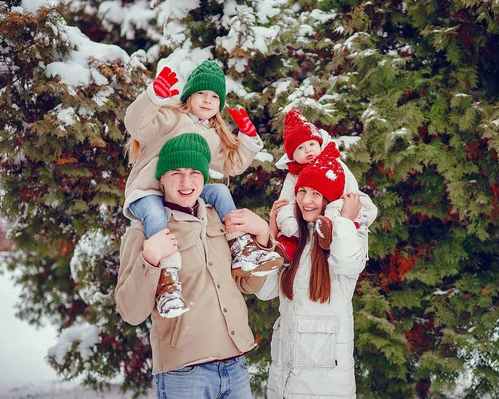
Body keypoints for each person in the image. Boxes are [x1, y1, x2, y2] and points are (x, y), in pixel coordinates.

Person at [116, 133, 272, 399]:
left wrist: (262, 237)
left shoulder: (221, 219)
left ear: (204, 177)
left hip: (235, 365)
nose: (186, 182)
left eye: (194, 173)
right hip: (185, 374)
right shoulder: (144, 232)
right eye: (176, 172)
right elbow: (131, 313)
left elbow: (249, 284)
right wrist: (150, 260)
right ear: (161, 178)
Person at [123, 61, 282, 317]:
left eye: (215, 96)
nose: (208, 100)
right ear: (189, 95)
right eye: (202, 93)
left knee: (219, 192)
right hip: (148, 192)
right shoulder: (171, 117)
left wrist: (248, 139)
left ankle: (240, 245)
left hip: (185, 192)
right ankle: (168, 277)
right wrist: (153, 98)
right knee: (155, 216)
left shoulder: (211, 134)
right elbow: (137, 125)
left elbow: (233, 164)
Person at [257, 152, 372, 398]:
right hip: (283, 379)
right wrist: (270, 236)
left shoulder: (352, 235)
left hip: (326, 383)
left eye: (316, 194)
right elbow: (265, 291)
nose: (306, 200)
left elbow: (348, 263)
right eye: (302, 191)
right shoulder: (293, 239)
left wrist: (344, 221)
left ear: (330, 200)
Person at [273, 108, 378, 263]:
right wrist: (282, 212)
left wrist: (350, 207)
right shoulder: (293, 175)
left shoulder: (333, 163)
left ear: (319, 143)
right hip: (302, 215)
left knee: (337, 205)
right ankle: (290, 242)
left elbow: (350, 187)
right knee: (285, 210)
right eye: (300, 148)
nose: (308, 150)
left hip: (334, 208)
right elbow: (286, 198)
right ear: (292, 156)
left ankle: (328, 229)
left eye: (311, 144)